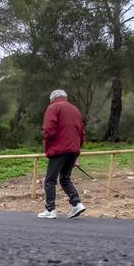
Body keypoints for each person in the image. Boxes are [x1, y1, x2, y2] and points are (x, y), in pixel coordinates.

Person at [38, 89, 86, 219]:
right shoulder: (75, 110)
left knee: (49, 180)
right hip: (73, 149)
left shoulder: (53, 107)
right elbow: (82, 132)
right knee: (65, 178)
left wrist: (46, 142)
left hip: (59, 149)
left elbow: (48, 129)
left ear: (52, 98)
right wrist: (77, 151)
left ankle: (50, 209)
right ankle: (76, 203)